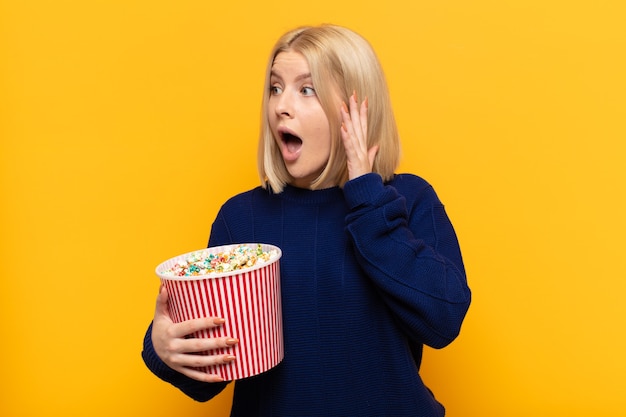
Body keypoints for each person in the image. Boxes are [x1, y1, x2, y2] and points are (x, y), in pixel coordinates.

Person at [142, 24, 471, 417]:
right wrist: (163, 347)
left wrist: (366, 197)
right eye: (275, 88)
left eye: (306, 89)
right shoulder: (240, 218)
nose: (281, 105)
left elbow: (444, 319)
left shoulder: (408, 199)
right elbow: (213, 369)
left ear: (357, 108)